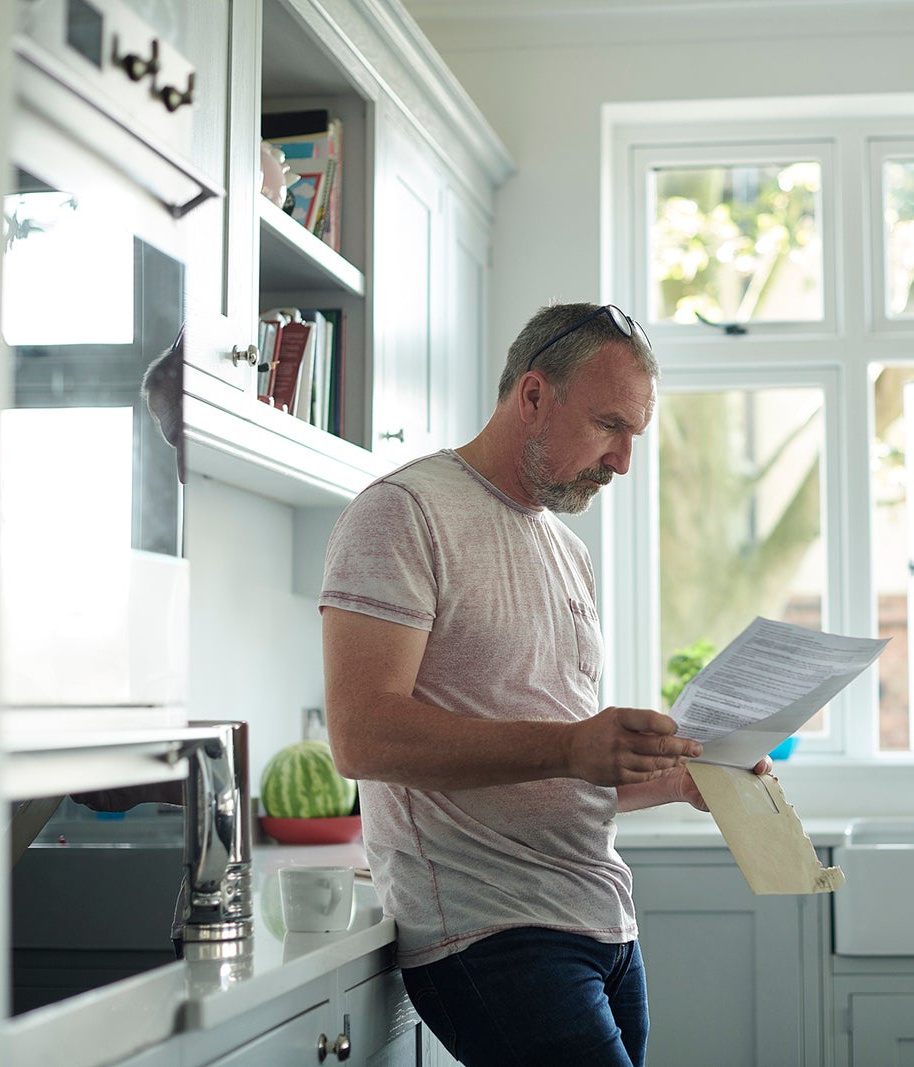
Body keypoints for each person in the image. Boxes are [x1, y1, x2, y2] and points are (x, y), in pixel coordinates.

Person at [318, 302, 766, 1067]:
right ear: (532, 396)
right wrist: (571, 744)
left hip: (604, 926)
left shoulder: (565, 548)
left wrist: (685, 779)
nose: (623, 460)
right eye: (608, 426)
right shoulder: (404, 513)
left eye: (634, 435)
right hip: (491, 934)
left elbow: (566, 769)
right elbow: (362, 736)